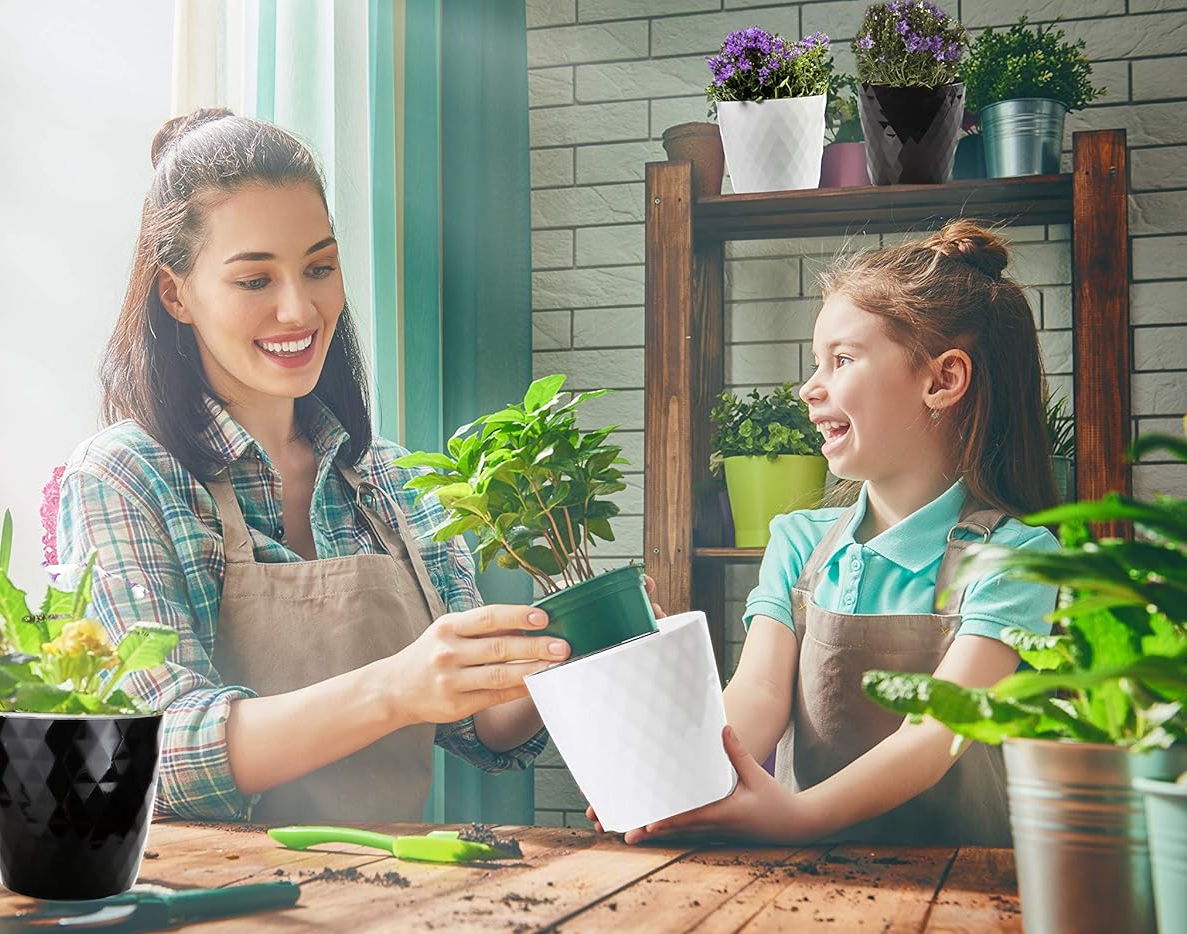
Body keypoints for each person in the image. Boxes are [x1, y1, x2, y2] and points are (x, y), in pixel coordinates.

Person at [56, 109, 572, 823]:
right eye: (254, 280)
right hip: (208, 910)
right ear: (176, 294)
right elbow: (150, 751)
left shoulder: (393, 482)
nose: (299, 309)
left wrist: (561, 657)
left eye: (318, 268)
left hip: (387, 897)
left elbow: (472, 725)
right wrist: (392, 688)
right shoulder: (123, 478)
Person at [595, 220, 1062, 847]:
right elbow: (758, 691)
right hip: (808, 879)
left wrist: (798, 817)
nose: (808, 388)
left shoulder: (1013, 559)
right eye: (817, 363)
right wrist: (680, 781)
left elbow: (938, 732)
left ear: (943, 380)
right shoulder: (798, 542)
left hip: (963, 890)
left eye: (840, 360)